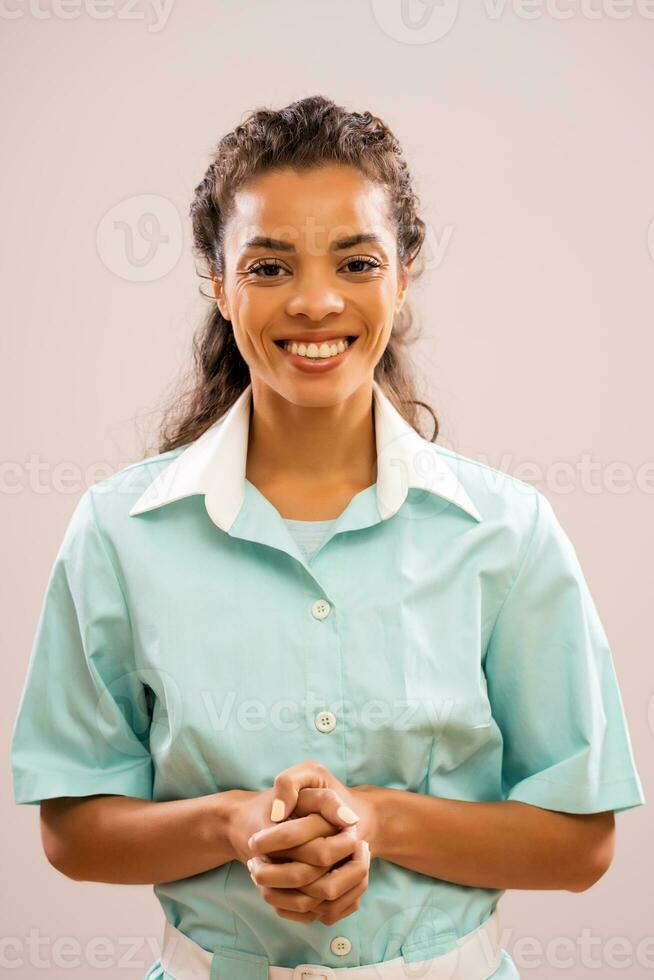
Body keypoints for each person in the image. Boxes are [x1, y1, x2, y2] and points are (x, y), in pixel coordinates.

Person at [10, 95, 645, 980]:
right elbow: (73, 830)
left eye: (356, 261)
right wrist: (233, 825)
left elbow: (580, 842)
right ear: (217, 280)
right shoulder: (120, 533)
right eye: (269, 267)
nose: (315, 302)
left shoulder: (507, 533)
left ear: (403, 274)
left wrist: (375, 823)